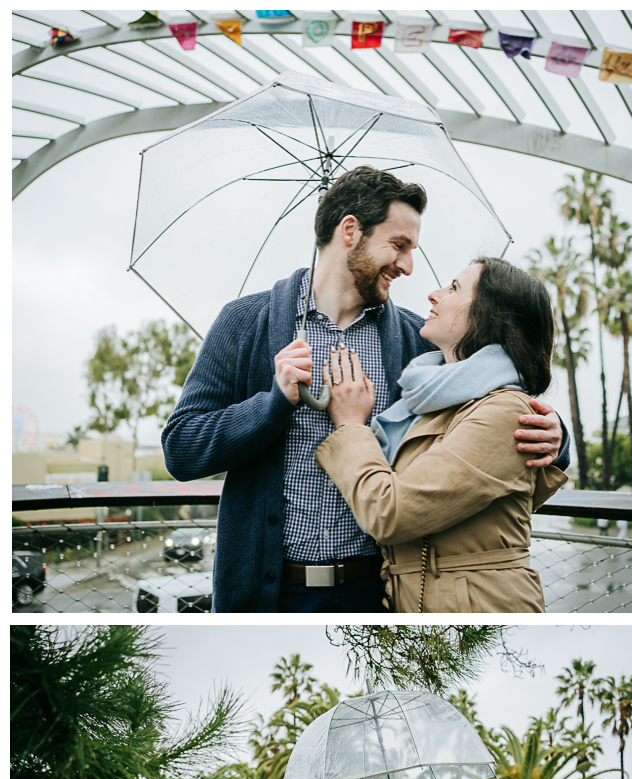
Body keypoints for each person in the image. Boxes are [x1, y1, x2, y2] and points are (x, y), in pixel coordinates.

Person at [162, 166, 569, 613]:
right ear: (350, 231)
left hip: (379, 597)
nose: (408, 266)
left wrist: (556, 435)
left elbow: (492, 411)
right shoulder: (244, 322)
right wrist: (272, 404)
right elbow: (181, 450)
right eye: (398, 245)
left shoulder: (421, 341)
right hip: (265, 597)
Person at [314, 258, 568, 613]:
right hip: (415, 603)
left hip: (476, 608)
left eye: (453, 287)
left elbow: (391, 513)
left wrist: (351, 425)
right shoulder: (434, 397)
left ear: (490, 313)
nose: (434, 295)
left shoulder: (506, 412)